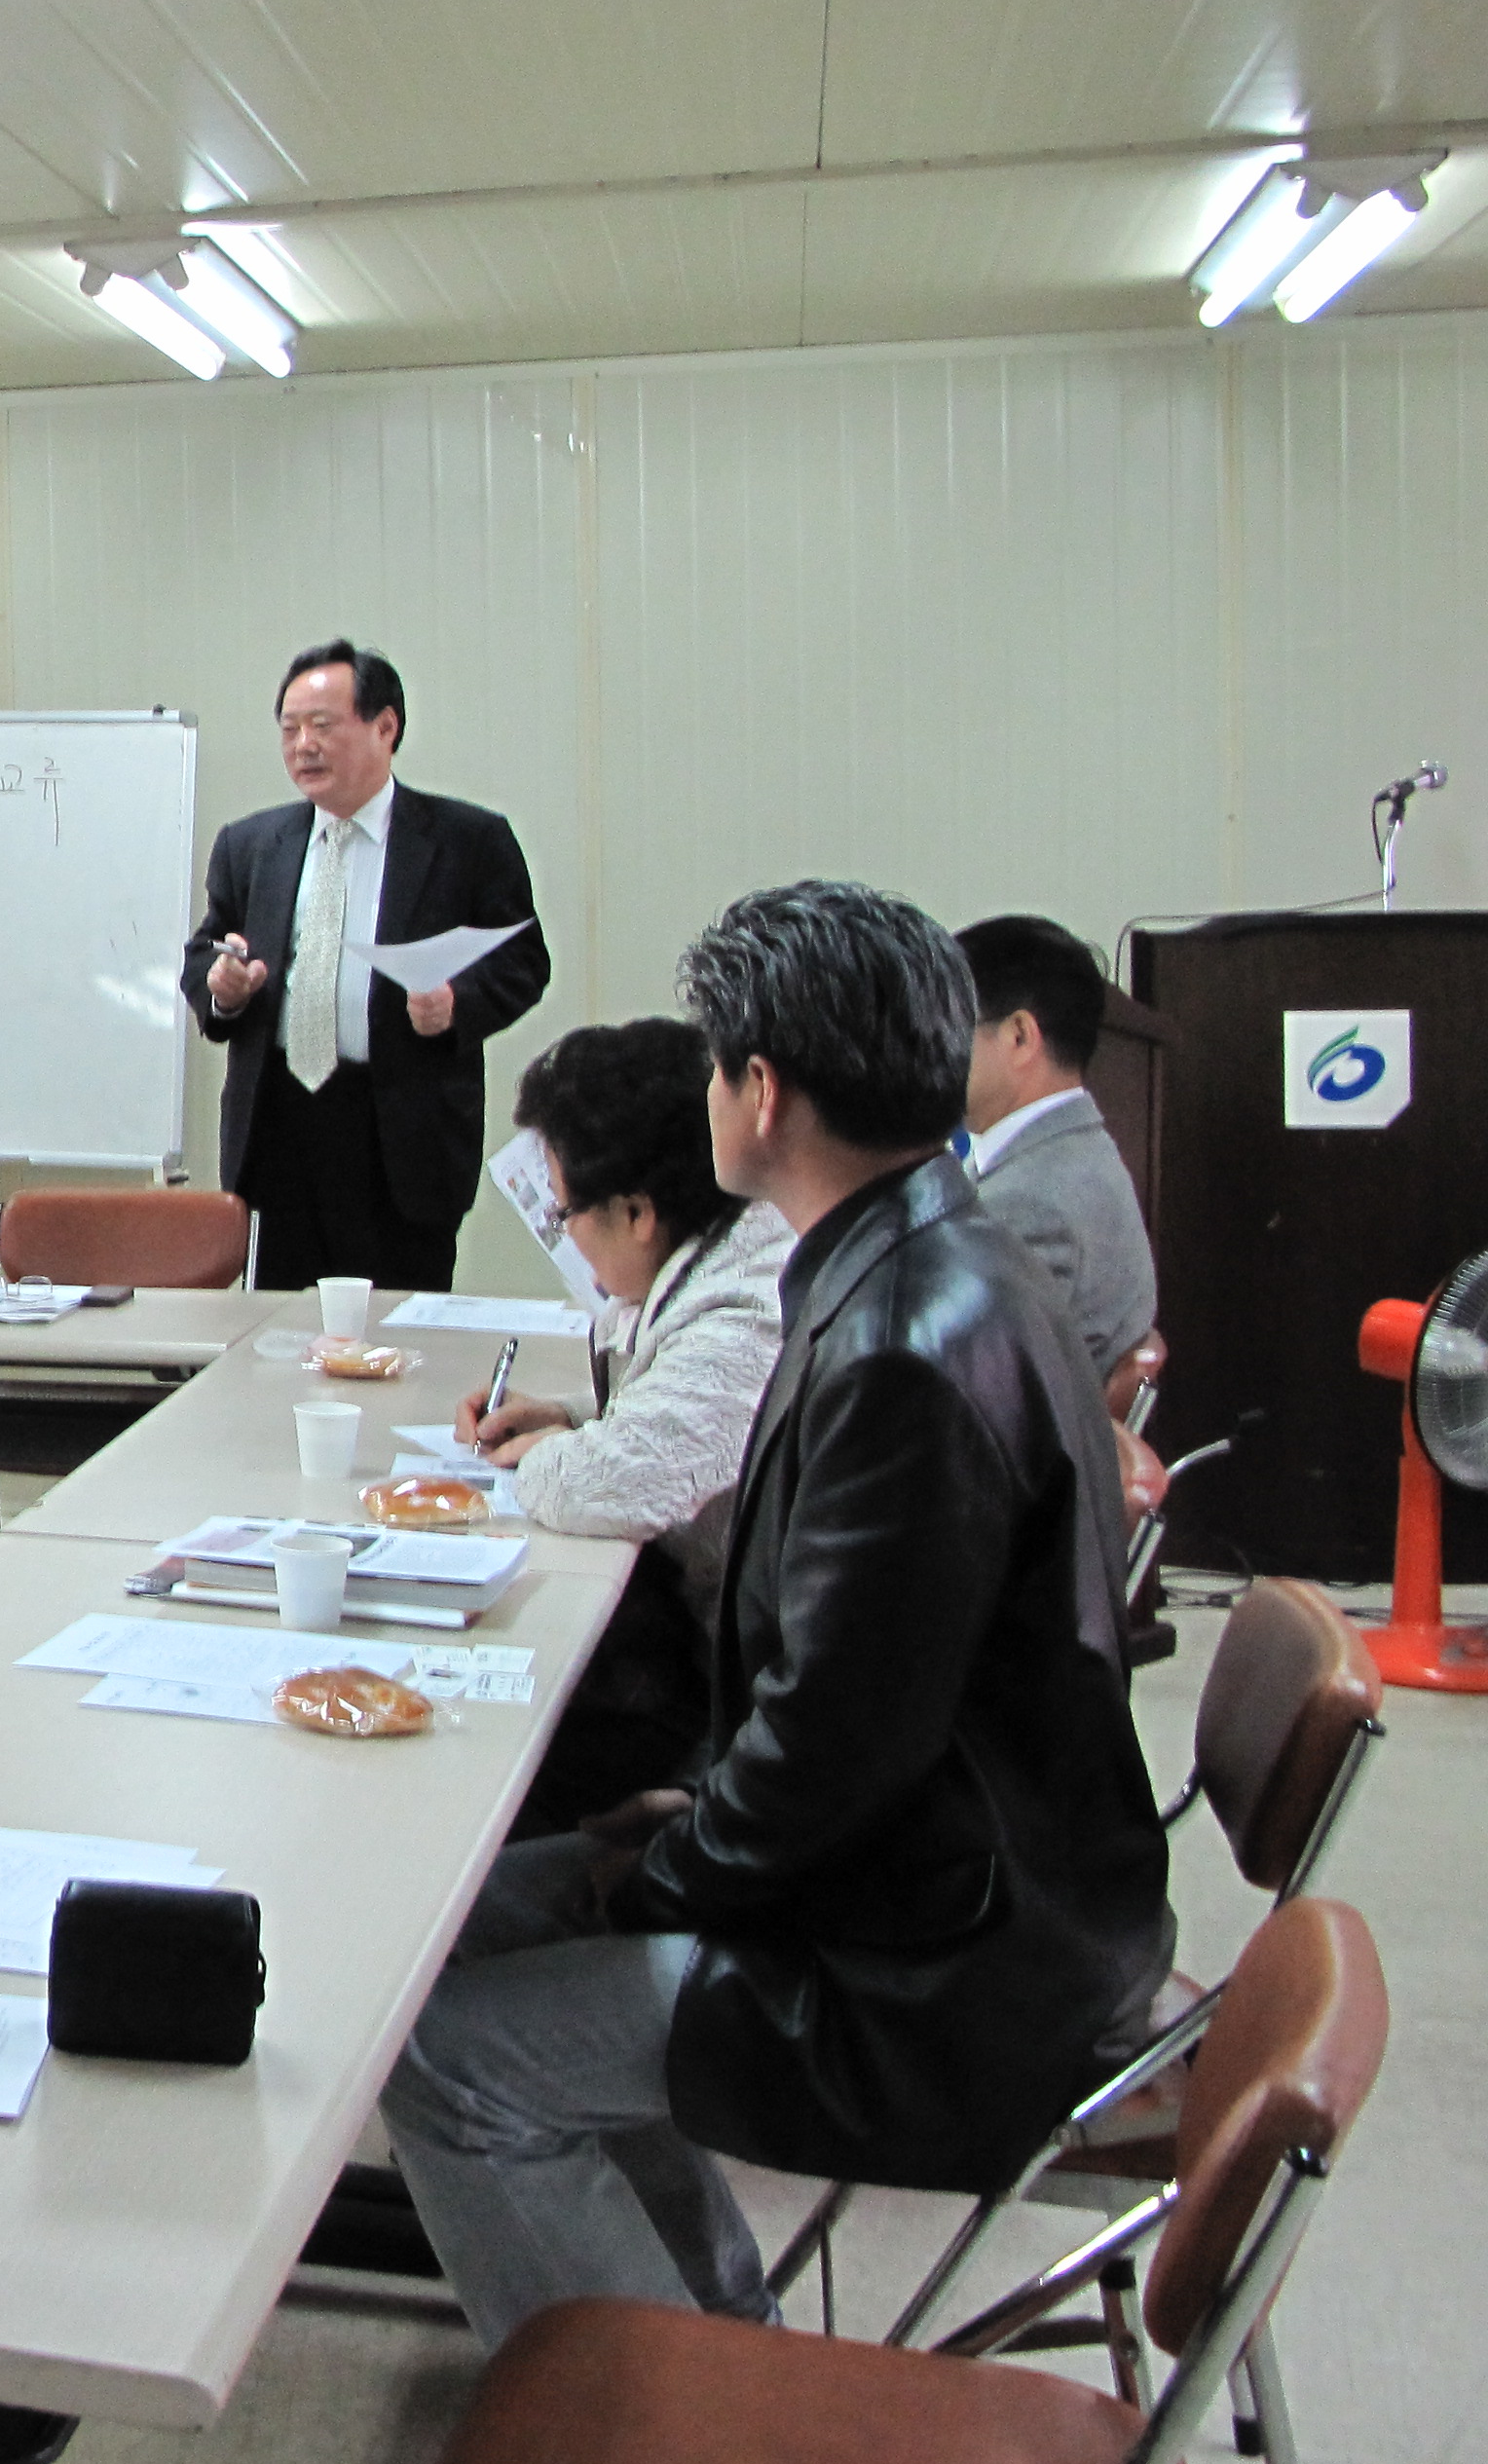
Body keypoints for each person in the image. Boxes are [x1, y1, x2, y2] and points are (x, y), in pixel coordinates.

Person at [380, 880, 1170, 2350]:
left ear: (761, 1093)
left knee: (441, 2054)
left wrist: (664, 1868)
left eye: (715, 1066)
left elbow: (837, 1746)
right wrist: (680, 1829)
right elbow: (849, 1704)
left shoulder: (902, 1347)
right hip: (951, 1872)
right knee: (459, 1923)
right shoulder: (920, 1257)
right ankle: (712, 2330)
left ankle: (637, 2433)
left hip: (945, 1966)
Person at [455, 1019, 787, 1836]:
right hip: (711, 1644)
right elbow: (694, 1428)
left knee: (484, 1743)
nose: (563, 1232)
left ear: (638, 1212)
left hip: (735, 1704)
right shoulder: (717, 1250)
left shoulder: (747, 1302)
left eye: (564, 1212)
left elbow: (611, 1483)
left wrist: (559, 1452)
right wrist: (578, 1415)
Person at [183, 642, 553, 1292]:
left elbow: (521, 960)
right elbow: (208, 952)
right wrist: (225, 989)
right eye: (290, 729)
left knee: (400, 1336)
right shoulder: (250, 845)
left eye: (323, 726)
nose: (303, 745)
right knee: (277, 1338)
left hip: (400, 1136)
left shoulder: (468, 841)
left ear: (386, 727)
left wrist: (457, 1004)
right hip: (278, 1127)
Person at [956, 913, 1159, 1386]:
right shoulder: (1068, 1156)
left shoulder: (1030, 1202)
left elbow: (973, 1395)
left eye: (946, 1026)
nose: (927, 1050)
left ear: (1020, 1036)